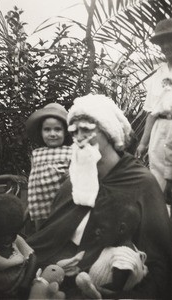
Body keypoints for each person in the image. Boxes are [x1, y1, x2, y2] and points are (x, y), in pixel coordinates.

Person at [27, 94, 172, 299]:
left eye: (87, 129)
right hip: (62, 270)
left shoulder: (141, 182)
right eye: (75, 131)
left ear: (109, 132)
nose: (80, 137)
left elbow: (159, 258)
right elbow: (50, 236)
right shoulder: (75, 179)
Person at [75, 196, 148, 299]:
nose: (97, 231)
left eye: (102, 228)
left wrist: (92, 288)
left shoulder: (123, 256)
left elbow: (115, 289)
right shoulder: (113, 247)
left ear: (121, 229)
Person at [135, 18, 172, 209]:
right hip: (159, 131)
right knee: (158, 181)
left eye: (170, 40)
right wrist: (143, 143)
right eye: (162, 42)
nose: (166, 46)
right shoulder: (158, 74)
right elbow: (151, 112)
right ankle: (162, 230)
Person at [25, 103, 72, 230]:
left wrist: (72, 172)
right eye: (47, 129)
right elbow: (33, 181)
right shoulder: (36, 154)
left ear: (66, 132)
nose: (52, 134)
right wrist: (29, 208)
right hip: (40, 208)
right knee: (41, 235)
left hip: (64, 207)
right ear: (41, 132)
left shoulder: (71, 151)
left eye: (57, 129)